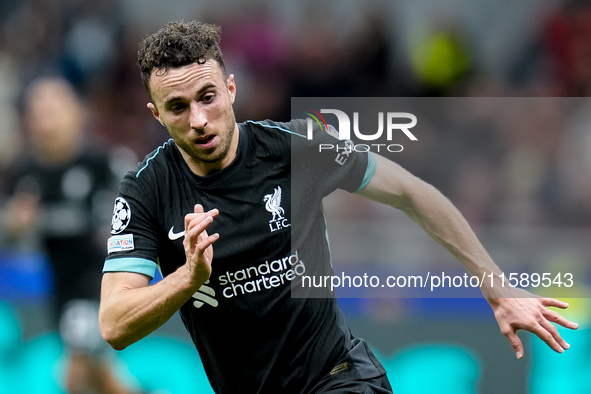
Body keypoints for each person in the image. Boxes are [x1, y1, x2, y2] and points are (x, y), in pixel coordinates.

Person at [98, 21, 579, 394]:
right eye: (178, 107)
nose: (199, 119)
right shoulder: (146, 191)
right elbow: (114, 324)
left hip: (338, 375)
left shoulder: (297, 148)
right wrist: (188, 278)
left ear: (230, 89)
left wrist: (496, 286)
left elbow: (413, 192)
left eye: (207, 97)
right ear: (156, 115)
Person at [1, 77, 138, 394]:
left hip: (99, 282)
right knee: (94, 378)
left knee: (75, 374)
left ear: (77, 112)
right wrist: (15, 224)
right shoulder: (24, 174)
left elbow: (138, 215)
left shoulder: (104, 164)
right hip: (60, 290)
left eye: (53, 108)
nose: (46, 118)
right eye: (38, 111)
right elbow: (11, 234)